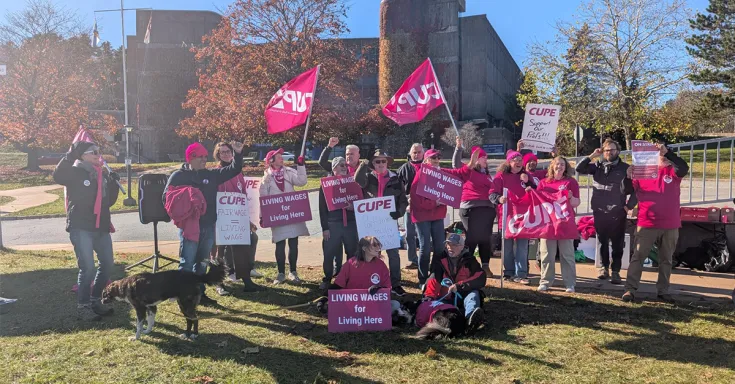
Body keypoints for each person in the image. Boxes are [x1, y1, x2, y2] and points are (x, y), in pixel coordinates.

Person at [163, 141, 244, 305]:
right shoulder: (178, 176)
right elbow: (166, 198)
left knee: (202, 262)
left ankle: (200, 294)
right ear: (190, 158)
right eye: (200, 157)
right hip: (189, 228)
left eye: (205, 157)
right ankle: (184, 295)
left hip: (207, 226)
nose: (204, 160)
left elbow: (234, 169)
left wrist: (238, 154)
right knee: (187, 263)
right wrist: (185, 201)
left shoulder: (211, 174)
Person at [53, 141, 120, 321]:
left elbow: (108, 202)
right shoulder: (75, 172)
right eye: (93, 152)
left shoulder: (101, 175)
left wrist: (113, 183)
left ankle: (95, 300)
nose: (98, 155)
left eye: (99, 151)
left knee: (107, 264)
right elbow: (58, 176)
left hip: (101, 226)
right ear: (82, 156)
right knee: (88, 268)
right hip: (81, 226)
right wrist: (69, 156)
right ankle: (83, 306)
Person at [622, 142, 689, 303]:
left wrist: (668, 153)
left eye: (664, 154)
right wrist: (627, 176)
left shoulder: (672, 171)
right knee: (638, 256)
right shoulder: (642, 172)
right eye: (659, 154)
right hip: (647, 222)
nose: (663, 156)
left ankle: (663, 290)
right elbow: (626, 190)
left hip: (670, 224)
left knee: (666, 259)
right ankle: (630, 290)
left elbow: (683, 168)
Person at [575, 139, 636, 284]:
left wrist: (630, 206)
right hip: (600, 210)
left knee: (617, 243)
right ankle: (604, 268)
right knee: (602, 241)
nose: (610, 152)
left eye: (613, 150)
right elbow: (579, 169)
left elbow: (634, 190)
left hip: (618, 211)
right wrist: (592, 156)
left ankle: (616, 271)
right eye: (607, 150)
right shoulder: (598, 165)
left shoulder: (625, 168)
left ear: (618, 151)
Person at [211, 142, 264, 293]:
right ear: (218, 155)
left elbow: (242, 197)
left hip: (237, 217)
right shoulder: (216, 173)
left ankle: (247, 281)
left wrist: (246, 220)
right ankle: (219, 284)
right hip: (221, 218)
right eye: (223, 152)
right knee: (218, 252)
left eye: (228, 151)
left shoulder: (238, 173)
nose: (226, 154)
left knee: (241, 248)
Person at [355, 149, 409, 296]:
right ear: (373, 163)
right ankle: (370, 280)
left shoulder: (395, 178)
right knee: (370, 253)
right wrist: (364, 163)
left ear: (387, 163)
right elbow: (357, 180)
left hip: (389, 222)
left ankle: (396, 283)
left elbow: (402, 200)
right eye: (377, 161)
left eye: (383, 161)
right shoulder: (367, 177)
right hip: (372, 222)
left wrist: (399, 212)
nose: (380, 164)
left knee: (393, 254)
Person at [316, 236, 405, 318]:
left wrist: (378, 288)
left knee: (395, 304)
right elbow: (338, 285)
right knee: (334, 304)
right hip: (352, 302)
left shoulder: (381, 265)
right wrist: (324, 298)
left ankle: (360, 315)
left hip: (373, 303)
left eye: (379, 245)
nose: (378, 248)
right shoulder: (351, 263)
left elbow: (387, 289)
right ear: (364, 248)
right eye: (374, 245)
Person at [450, 137, 499, 277]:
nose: (485, 160)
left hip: (487, 209)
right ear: (476, 159)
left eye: (486, 158)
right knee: (472, 238)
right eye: (482, 157)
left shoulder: (488, 175)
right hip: (471, 207)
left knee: (485, 238)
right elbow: (456, 164)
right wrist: (458, 148)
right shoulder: (469, 171)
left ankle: (485, 266)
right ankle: (465, 266)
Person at [259, 148, 309, 284]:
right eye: (279, 157)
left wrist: (300, 166)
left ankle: (293, 272)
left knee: (294, 242)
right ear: (271, 161)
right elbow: (262, 198)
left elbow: (301, 181)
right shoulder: (266, 178)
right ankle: (280, 273)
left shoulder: (289, 172)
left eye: (282, 156)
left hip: (292, 212)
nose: (282, 159)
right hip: (277, 215)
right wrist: (262, 216)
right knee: (280, 244)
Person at [535, 157, 581, 293]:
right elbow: (538, 202)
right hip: (548, 223)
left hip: (565, 223)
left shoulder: (571, 182)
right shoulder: (544, 183)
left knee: (567, 254)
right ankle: (545, 281)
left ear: (565, 167)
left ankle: (570, 284)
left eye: (562, 164)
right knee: (547, 254)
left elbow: (576, 203)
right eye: (557, 164)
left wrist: (571, 197)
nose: (559, 167)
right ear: (552, 166)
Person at [423, 233, 486, 332]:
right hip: (445, 297)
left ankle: (470, 319)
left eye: (454, 245)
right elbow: (434, 278)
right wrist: (429, 297)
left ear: (462, 247)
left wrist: (460, 286)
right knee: (436, 305)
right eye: (448, 244)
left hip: (464, 295)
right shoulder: (439, 258)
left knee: (474, 295)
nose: (449, 247)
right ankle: (444, 322)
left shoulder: (470, 260)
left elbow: (480, 277)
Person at [492, 150, 536, 284]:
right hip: (507, 217)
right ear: (509, 162)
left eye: (520, 160)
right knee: (507, 247)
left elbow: (536, 191)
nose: (518, 162)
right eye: (514, 160)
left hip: (523, 218)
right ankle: (509, 272)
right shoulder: (501, 176)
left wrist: (528, 183)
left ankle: (521, 274)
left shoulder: (526, 176)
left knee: (522, 247)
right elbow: (492, 193)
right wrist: (499, 199)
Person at [318, 156, 358, 290]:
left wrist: (353, 207)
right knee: (329, 253)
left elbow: (359, 200)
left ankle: (350, 278)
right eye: (340, 165)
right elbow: (322, 208)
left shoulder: (353, 182)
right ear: (334, 168)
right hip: (333, 224)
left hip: (350, 223)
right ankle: (327, 278)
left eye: (345, 165)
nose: (344, 167)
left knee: (352, 253)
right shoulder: (326, 184)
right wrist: (325, 228)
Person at [409, 148, 446, 287]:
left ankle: (435, 276)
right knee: (425, 247)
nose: (436, 161)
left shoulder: (442, 174)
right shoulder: (420, 175)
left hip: (437, 215)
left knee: (439, 247)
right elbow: (416, 200)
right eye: (432, 158)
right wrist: (434, 203)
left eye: (437, 158)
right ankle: (423, 278)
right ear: (426, 160)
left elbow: (448, 192)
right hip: (422, 216)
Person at [397, 143, 425, 270]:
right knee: (409, 234)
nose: (417, 154)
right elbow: (398, 187)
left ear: (423, 153)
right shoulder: (404, 168)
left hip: (426, 207)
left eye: (419, 152)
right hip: (409, 206)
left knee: (424, 234)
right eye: (414, 152)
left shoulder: (428, 167)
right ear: (410, 153)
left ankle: (424, 260)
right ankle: (413, 259)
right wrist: (405, 200)